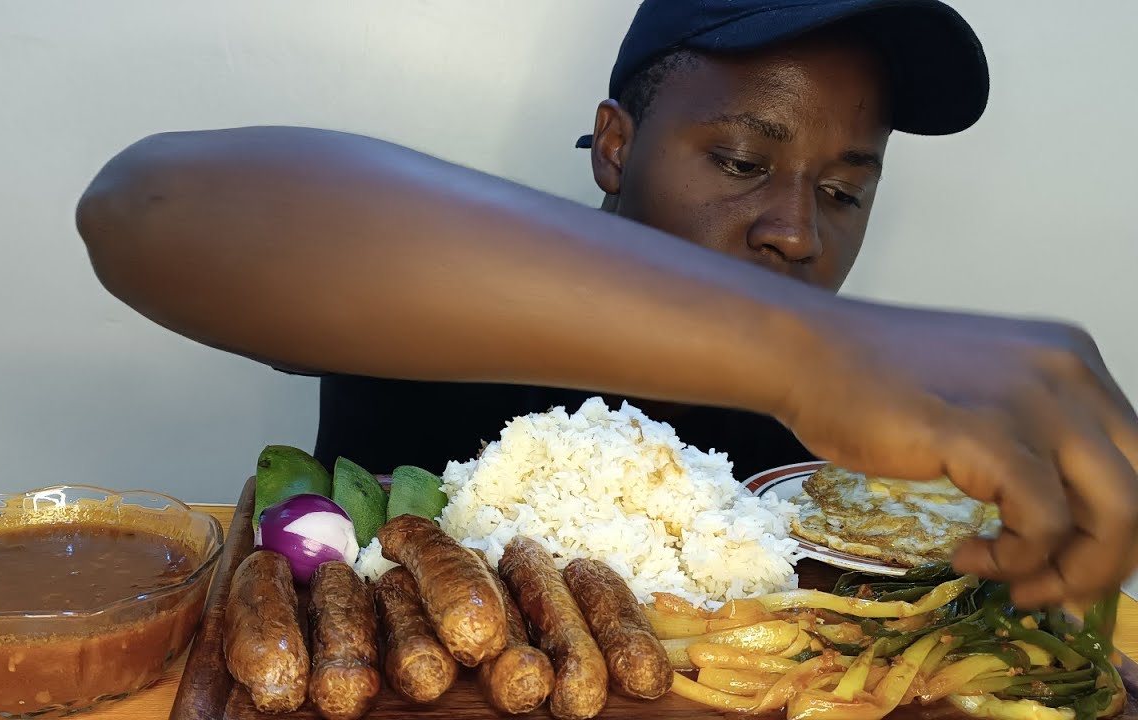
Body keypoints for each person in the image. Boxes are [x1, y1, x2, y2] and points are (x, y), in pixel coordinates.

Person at [74, 0, 1138, 608]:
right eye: (735, 159)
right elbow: (143, 207)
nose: (795, 232)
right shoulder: (434, 280)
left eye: (842, 191)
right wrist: (816, 348)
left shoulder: (851, 446)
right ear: (616, 144)